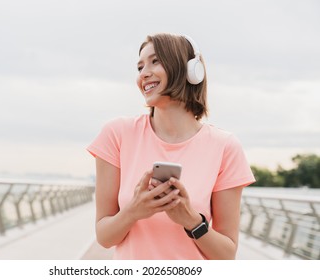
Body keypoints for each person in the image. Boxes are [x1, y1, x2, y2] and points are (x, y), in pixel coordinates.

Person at [87, 33, 255, 260]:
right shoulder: (116, 134)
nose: (144, 73)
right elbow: (105, 237)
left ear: (190, 71)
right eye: (139, 67)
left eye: (155, 61)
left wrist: (191, 220)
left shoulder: (225, 147)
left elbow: (226, 254)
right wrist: (133, 210)